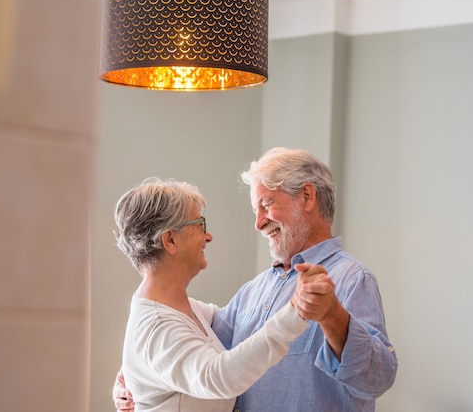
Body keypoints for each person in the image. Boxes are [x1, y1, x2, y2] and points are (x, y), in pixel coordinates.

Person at [114, 149, 398, 411]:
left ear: (307, 197)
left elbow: (378, 379)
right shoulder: (253, 292)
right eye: (255, 211)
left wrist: (333, 316)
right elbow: (196, 345)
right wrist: (136, 373)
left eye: (266, 204)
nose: (259, 222)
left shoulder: (351, 279)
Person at [113, 177, 335, 412]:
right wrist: (296, 312)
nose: (208, 237)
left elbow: (243, 325)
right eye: (200, 225)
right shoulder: (157, 326)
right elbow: (217, 376)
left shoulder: (189, 311)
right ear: (170, 240)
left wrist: (130, 371)